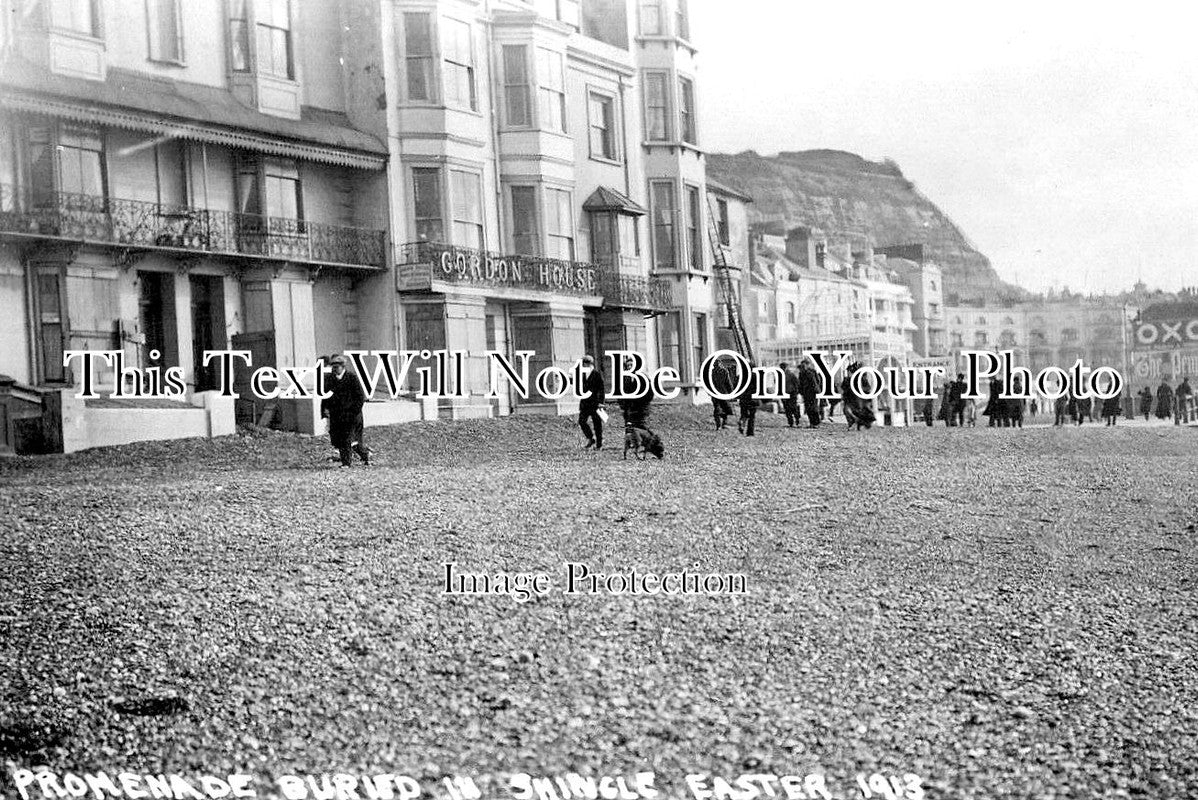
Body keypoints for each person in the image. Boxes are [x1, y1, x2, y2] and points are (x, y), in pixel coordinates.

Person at [322, 353, 370, 467]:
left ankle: (346, 463)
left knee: (347, 439)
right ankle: (364, 455)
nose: (335, 369)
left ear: (343, 367)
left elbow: (360, 397)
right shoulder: (329, 379)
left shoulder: (351, 377)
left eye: (337, 366)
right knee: (338, 439)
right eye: (333, 367)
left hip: (351, 415)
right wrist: (325, 409)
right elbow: (326, 395)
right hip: (336, 415)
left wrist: (354, 411)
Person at [577, 354, 606, 450]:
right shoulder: (581, 374)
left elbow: (601, 389)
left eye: (585, 363)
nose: (583, 365)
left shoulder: (596, 374)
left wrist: (601, 402)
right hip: (585, 403)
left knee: (597, 424)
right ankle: (590, 438)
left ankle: (599, 444)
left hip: (595, 403)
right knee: (582, 421)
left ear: (589, 364)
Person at [709, 356, 736, 430]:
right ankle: (723, 424)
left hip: (715, 394)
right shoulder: (724, 372)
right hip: (723, 393)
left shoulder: (711, 373)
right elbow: (728, 383)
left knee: (717, 409)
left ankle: (719, 425)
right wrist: (731, 392)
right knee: (725, 408)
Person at [737, 362, 760, 436]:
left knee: (744, 414)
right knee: (752, 416)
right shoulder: (756, 376)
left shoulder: (740, 376)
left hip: (743, 398)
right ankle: (750, 432)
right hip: (753, 398)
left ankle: (742, 422)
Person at [798, 360, 821, 428]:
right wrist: (801, 392)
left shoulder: (811, 372)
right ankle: (812, 423)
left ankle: (816, 423)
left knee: (813, 408)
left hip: (812, 392)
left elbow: (816, 382)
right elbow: (800, 384)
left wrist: (816, 390)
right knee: (809, 408)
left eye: (803, 366)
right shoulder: (802, 374)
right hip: (806, 393)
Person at [780, 362, 801, 427]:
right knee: (788, 408)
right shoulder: (781, 375)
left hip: (791, 393)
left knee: (792, 408)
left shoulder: (790, 375)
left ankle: (796, 421)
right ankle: (792, 421)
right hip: (787, 394)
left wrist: (796, 392)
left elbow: (797, 384)